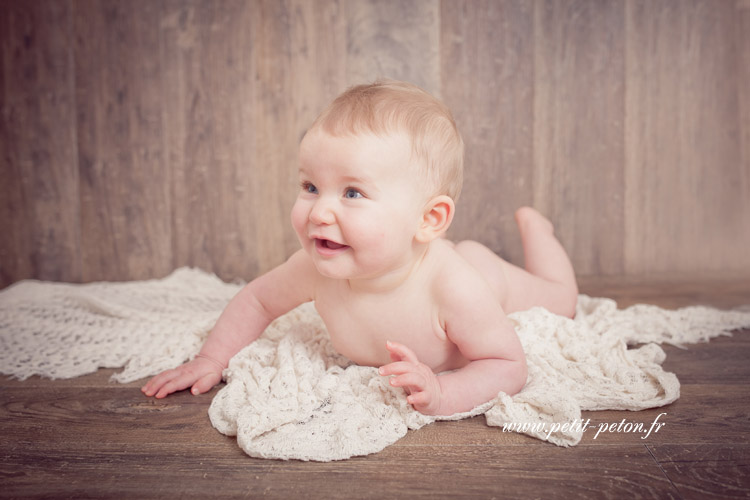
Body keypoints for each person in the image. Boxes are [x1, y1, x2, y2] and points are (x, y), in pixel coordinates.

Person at [142, 80, 578, 416]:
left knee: (563, 301)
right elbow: (257, 300)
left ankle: (538, 229)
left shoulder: (455, 289)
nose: (319, 213)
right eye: (311, 186)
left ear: (428, 220)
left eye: (352, 193)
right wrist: (212, 358)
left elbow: (507, 364)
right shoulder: (315, 267)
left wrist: (445, 391)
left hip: (486, 275)